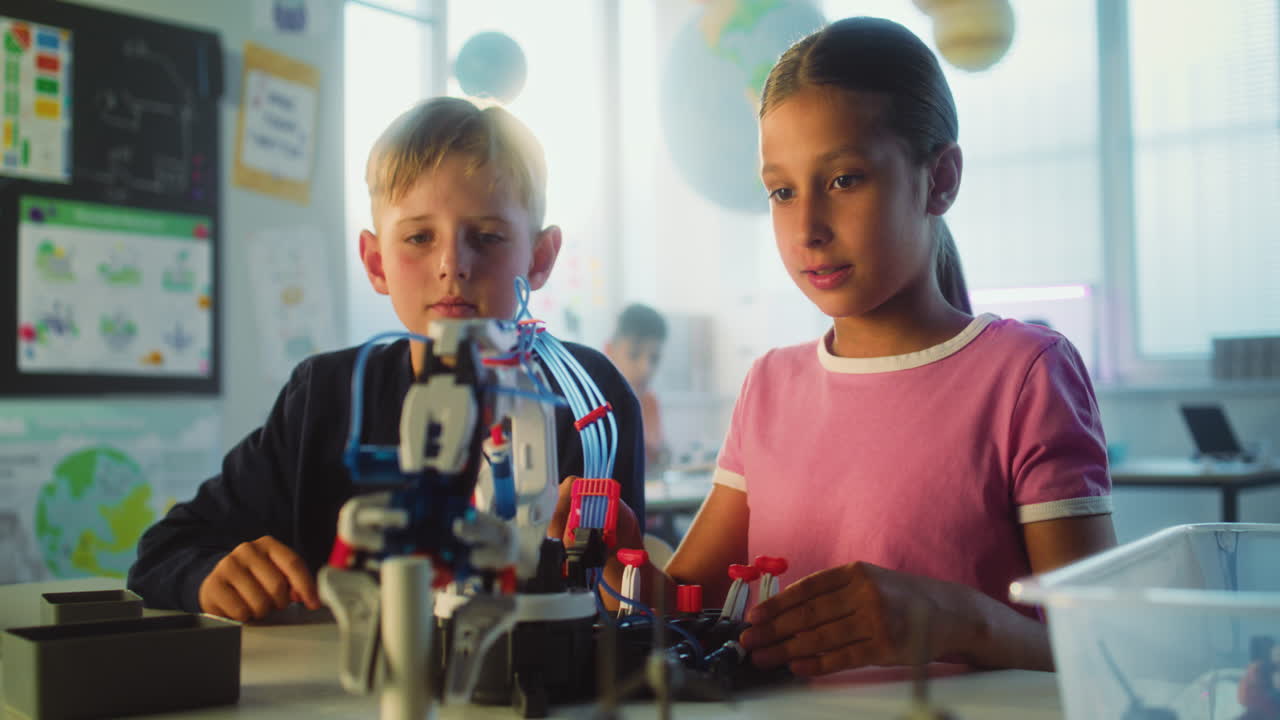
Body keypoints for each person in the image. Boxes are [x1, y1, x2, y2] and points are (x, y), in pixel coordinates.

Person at [662, 17, 1117, 675]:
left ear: (940, 180)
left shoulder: (1024, 377)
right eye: (782, 191)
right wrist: (605, 557)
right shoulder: (770, 385)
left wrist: (960, 619)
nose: (808, 228)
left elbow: (1107, 654)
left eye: (844, 179)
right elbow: (683, 601)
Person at [128, 97, 647, 621]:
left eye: (487, 237)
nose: (452, 265)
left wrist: (613, 574)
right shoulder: (324, 396)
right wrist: (209, 575)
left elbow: (620, 596)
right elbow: (164, 551)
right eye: (419, 237)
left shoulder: (587, 398)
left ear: (539, 258)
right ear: (376, 263)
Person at [604, 303, 669, 470]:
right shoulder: (591, 403)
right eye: (633, 355)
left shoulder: (649, 401)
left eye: (654, 358)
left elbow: (658, 459)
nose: (645, 368)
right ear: (609, 350)